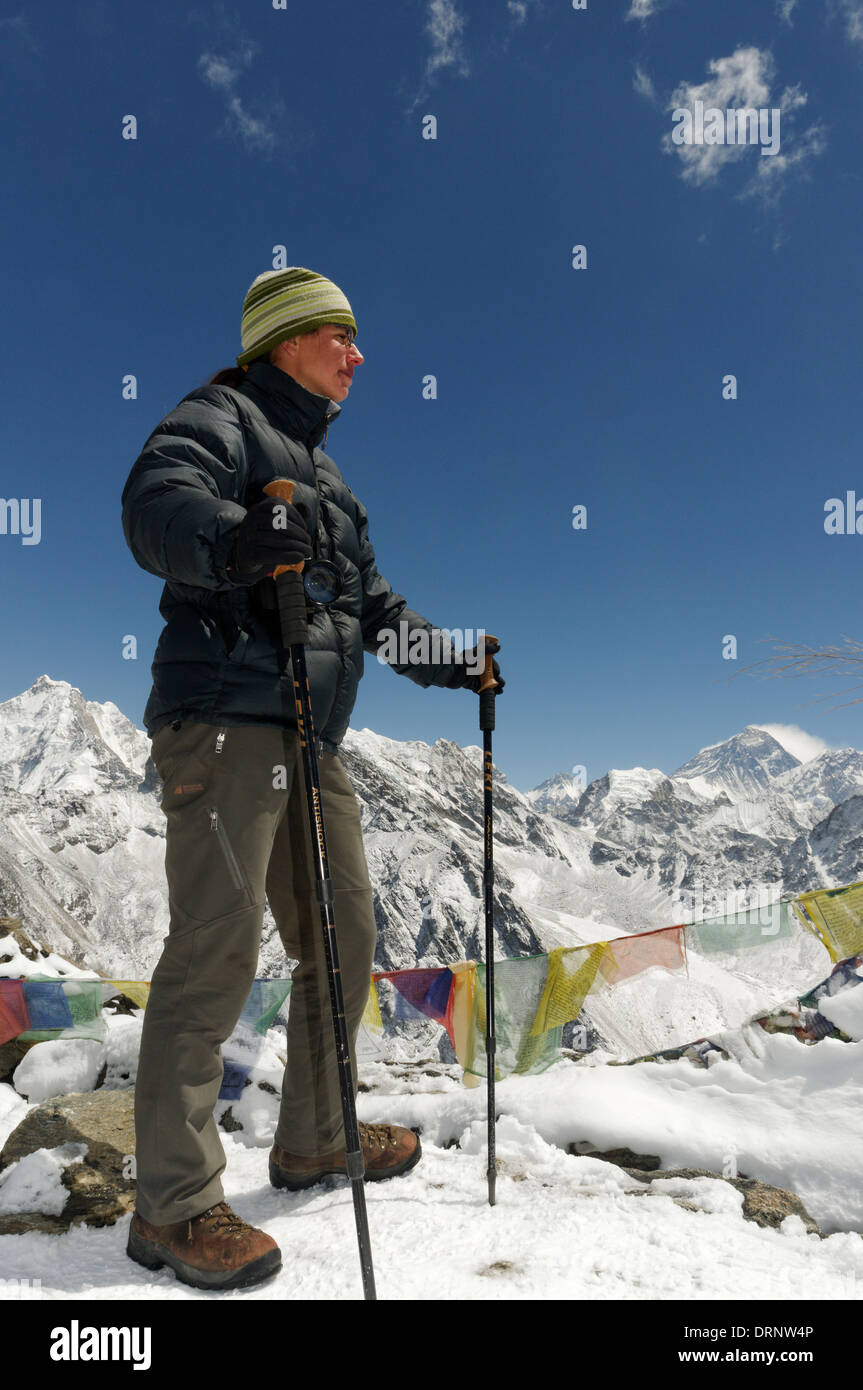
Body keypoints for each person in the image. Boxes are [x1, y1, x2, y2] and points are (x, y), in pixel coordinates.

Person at [120, 266, 503, 1291]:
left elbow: (375, 611)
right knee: (216, 943)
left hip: (308, 739)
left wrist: (459, 653)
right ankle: (172, 1203)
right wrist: (236, 538)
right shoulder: (221, 418)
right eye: (338, 333)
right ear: (283, 339)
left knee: (345, 934)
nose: (358, 353)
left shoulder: (331, 486)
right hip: (223, 725)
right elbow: (154, 506)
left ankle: (315, 1139)